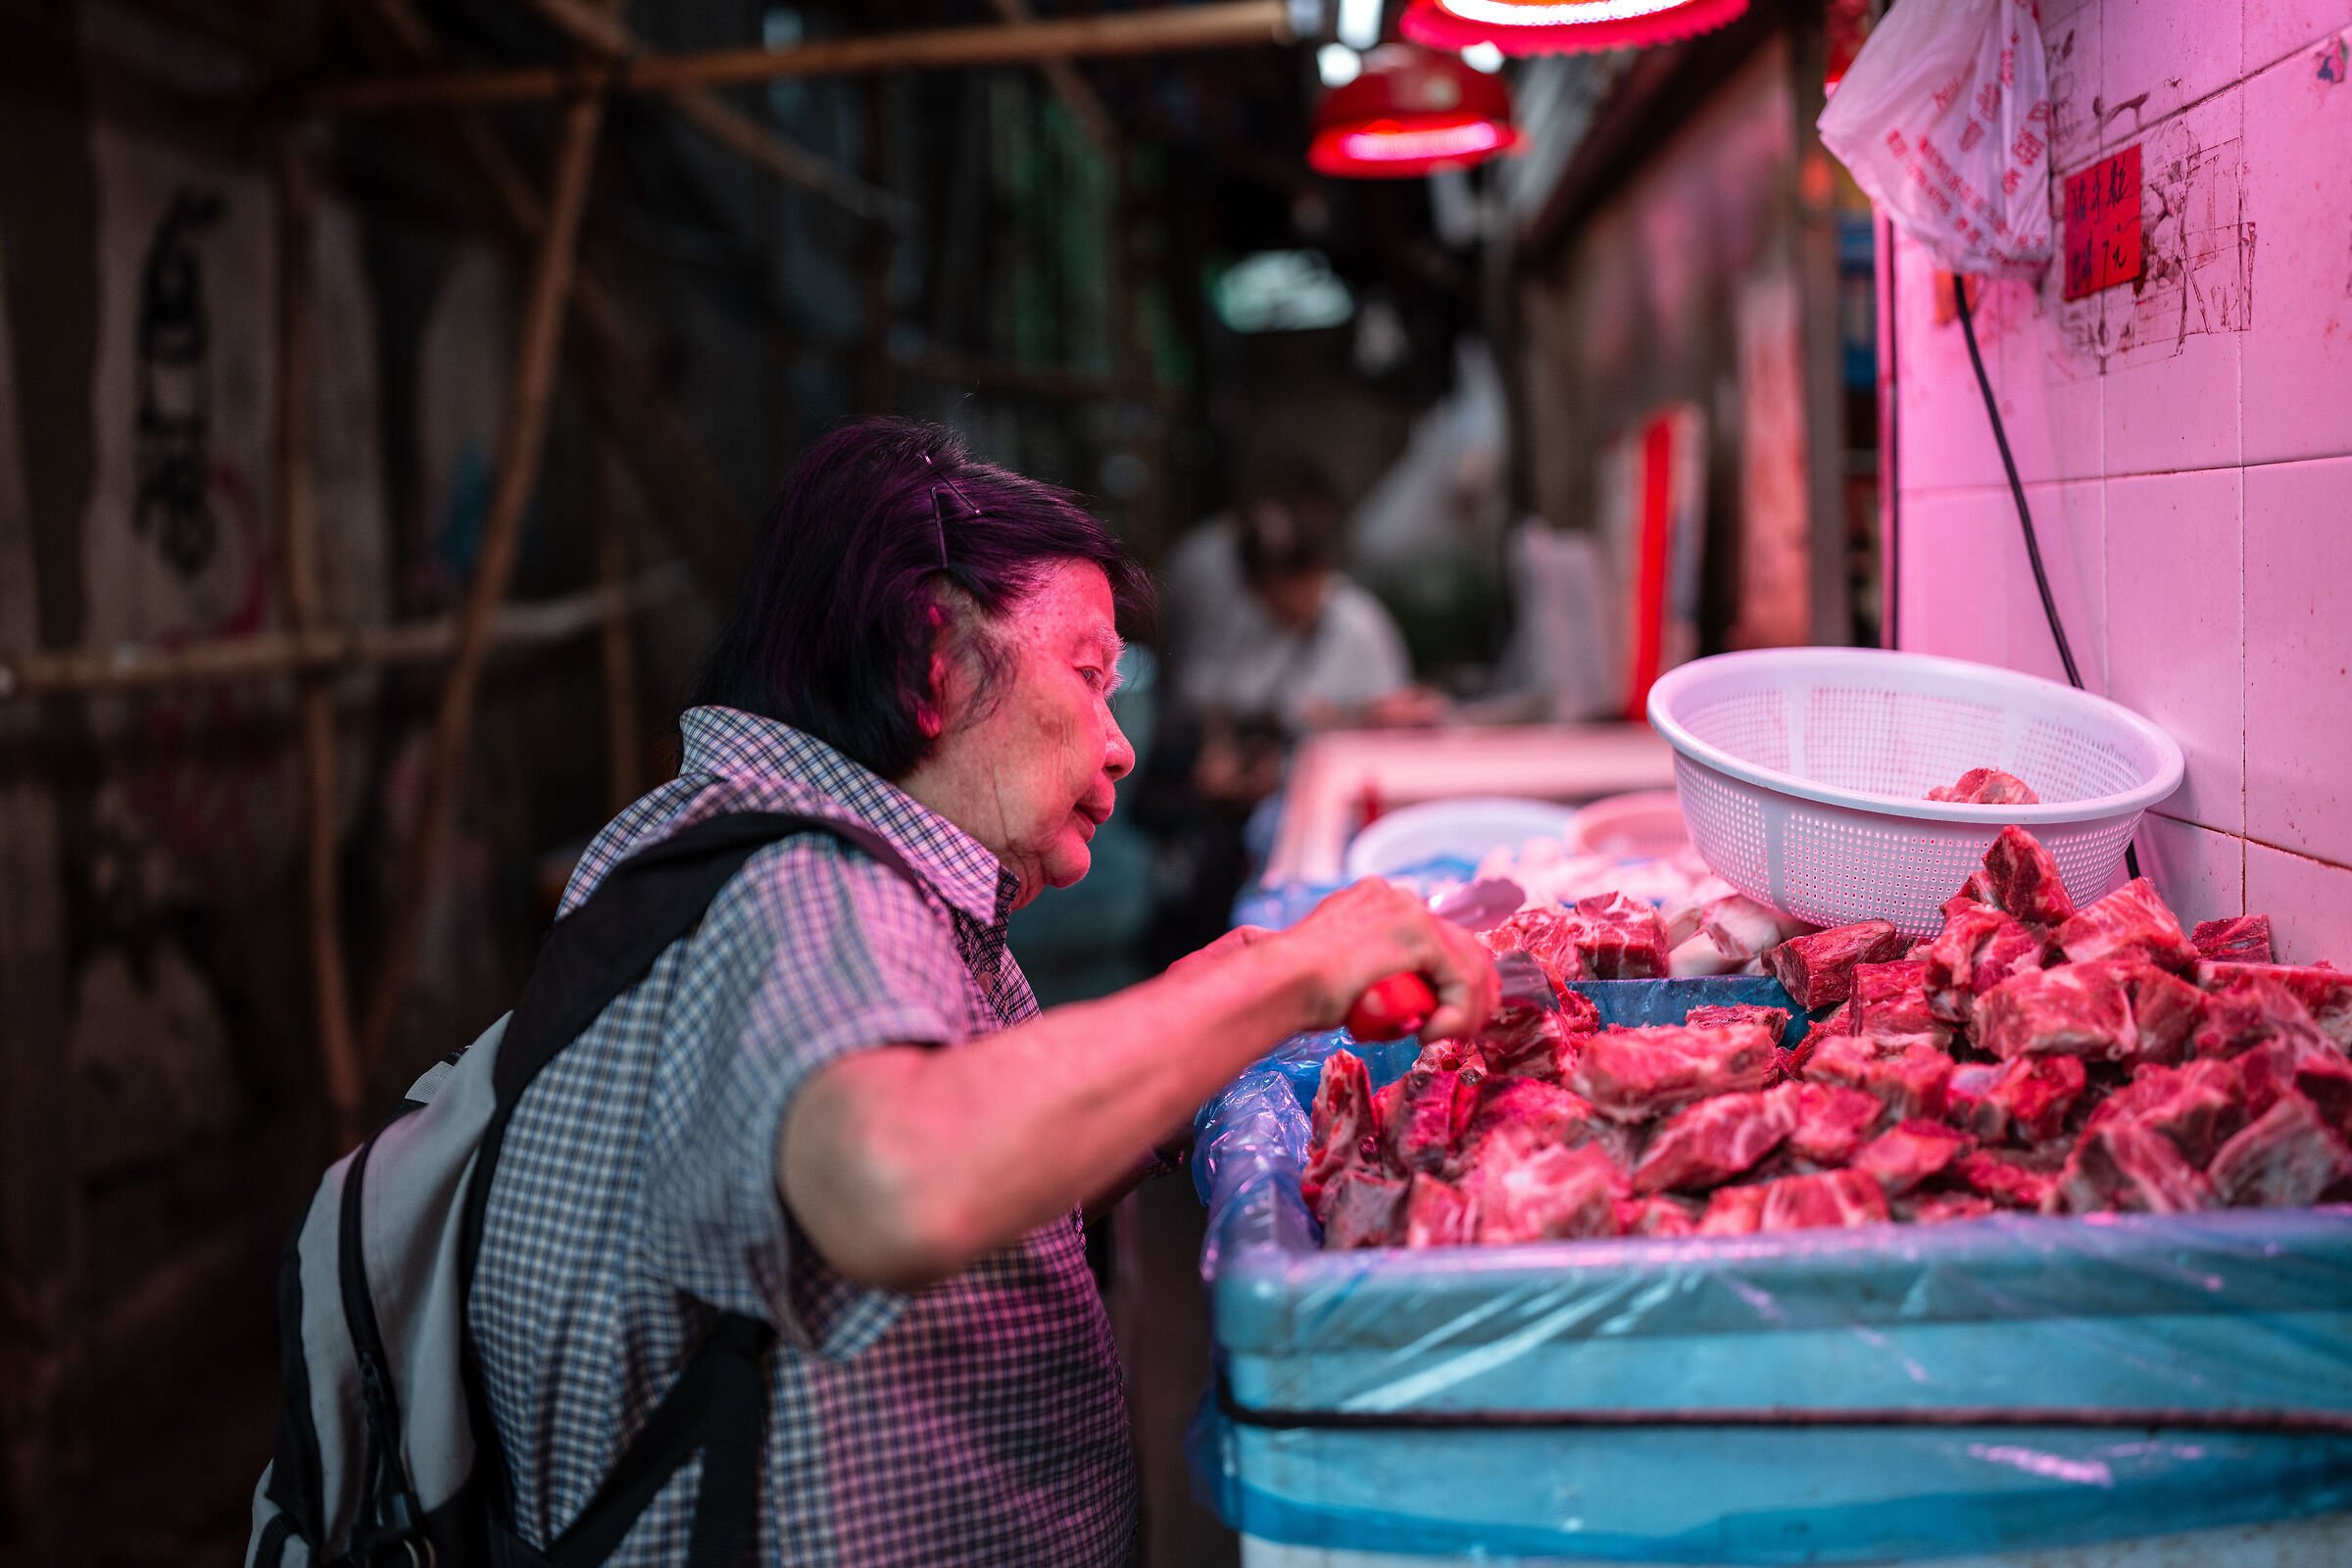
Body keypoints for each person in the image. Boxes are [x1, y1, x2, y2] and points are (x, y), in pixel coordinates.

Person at [473, 417, 1497, 1567]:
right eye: (1090, 676)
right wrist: (1291, 976)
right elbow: (903, 1177)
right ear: (936, 660)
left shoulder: (845, 866)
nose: (1119, 745)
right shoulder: (800, 882)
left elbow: (981, 1166)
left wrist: (1224, 1004)